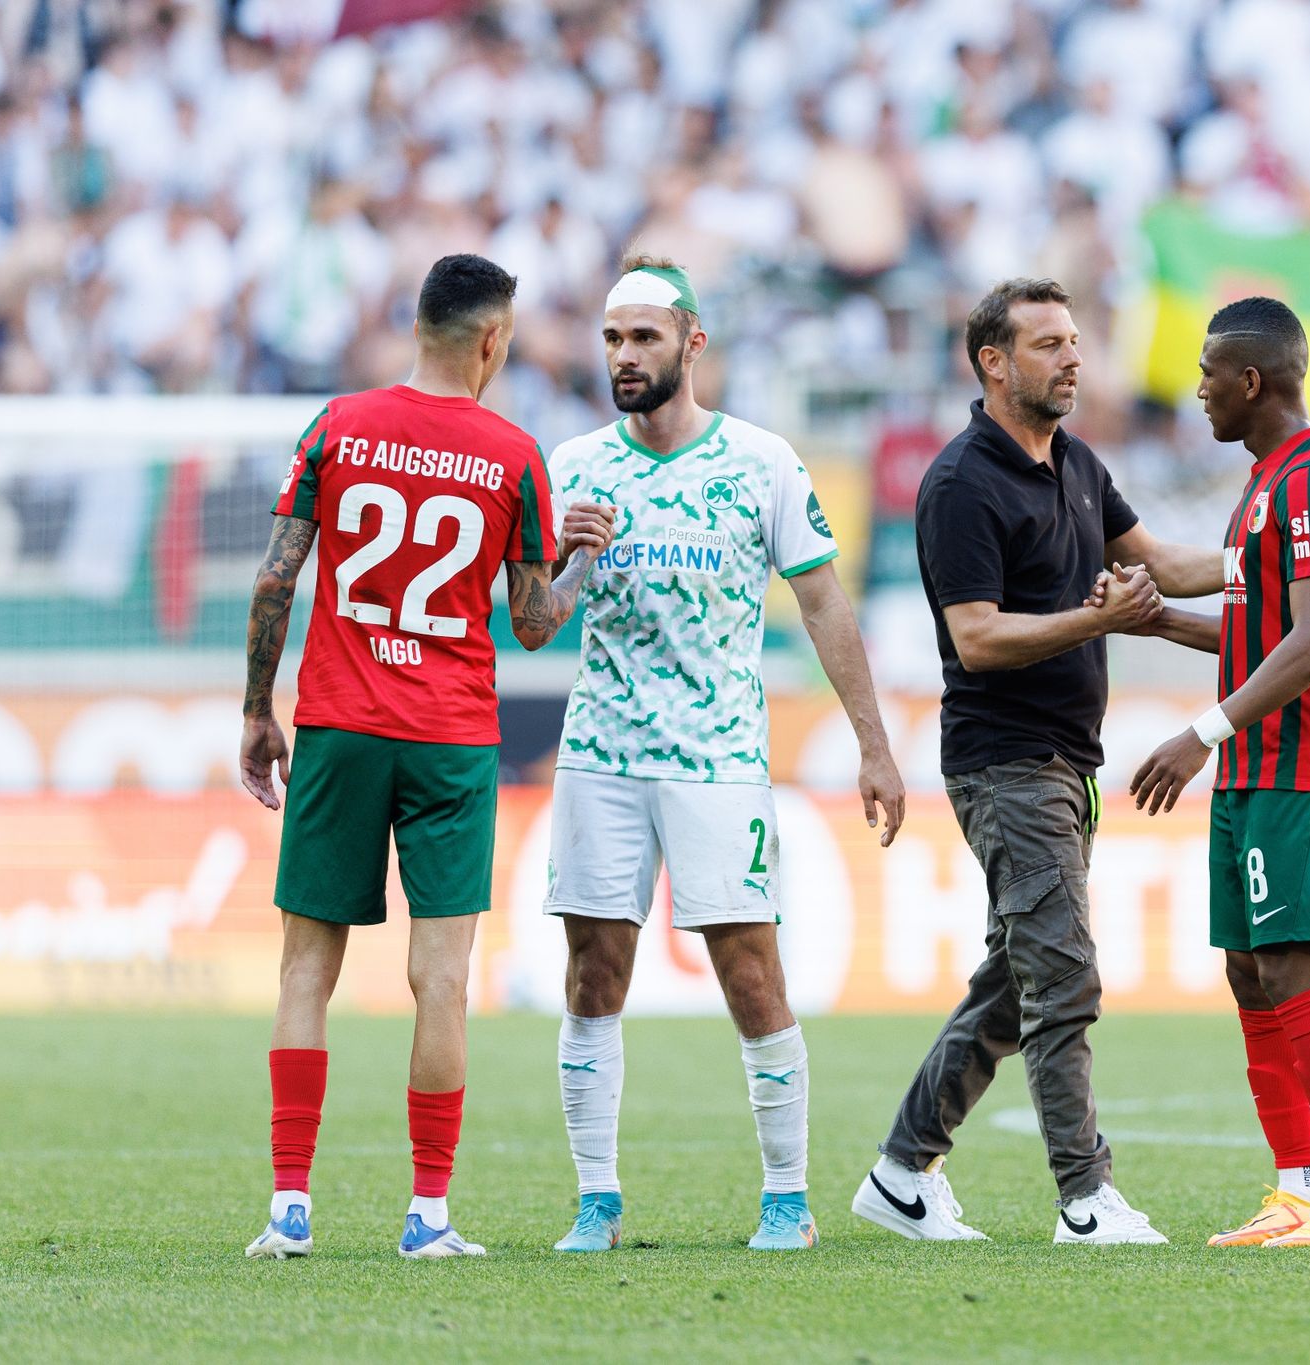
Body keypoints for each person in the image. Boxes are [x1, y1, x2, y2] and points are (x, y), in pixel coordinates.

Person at [239, 254, 615, 1261]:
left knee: (305, 972)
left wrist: (255, 713)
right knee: (440, 978)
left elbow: (276, 579)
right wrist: (585, 558)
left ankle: (288, 1209)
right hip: (448, 737)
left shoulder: (337, 425)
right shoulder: (512, 454)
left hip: (339, 724)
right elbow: (535, 627)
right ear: (493, 339)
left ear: (417, 325)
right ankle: (429, 1216)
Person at [543, 253, 906, 1254]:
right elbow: (532, 624)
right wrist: (561, 558)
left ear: (691, 343)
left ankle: (787, 1196)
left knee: (750, 974)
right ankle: (596, 1197)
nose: (624, 356)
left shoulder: (761, 462)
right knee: (591, 974)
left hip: (714, 757)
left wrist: (873, 747)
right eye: (613, 338)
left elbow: (824, 604)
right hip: (601, 756)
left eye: (643, 338)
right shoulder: (572, 468)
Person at [850, 277, 1221, 1245]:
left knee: (1016, 983)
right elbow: (974, 638)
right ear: (993, 361)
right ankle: (1084, 1199)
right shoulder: (960, 482)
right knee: (1063, 977)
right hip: (1005, 763)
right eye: (1048, 343)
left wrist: (1264, 543)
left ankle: (900, 1172)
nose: (1071, 358)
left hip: (1065, 762)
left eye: (1073, 342)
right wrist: (1094, 617)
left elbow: (1167, 567)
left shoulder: (1078, 464)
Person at [1129, 296, 1310, 1247]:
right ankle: (1298, 1187)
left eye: (1207, 372)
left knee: (1292, 965)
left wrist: (1199, 731)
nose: (1195, 389)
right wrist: (1157, 617)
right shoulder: (1264, 486)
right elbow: (1255, 629)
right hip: (1257, 766)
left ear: (1252, 379)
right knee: (1251, 971)